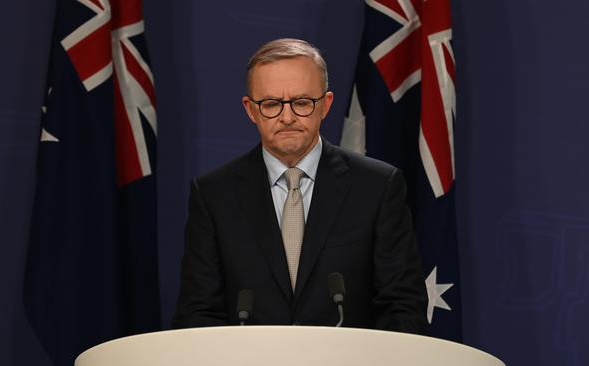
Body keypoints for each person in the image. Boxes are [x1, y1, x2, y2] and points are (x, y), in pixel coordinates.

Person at [172, 38, 427, 333]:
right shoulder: (214, 196)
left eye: (302, 102)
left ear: (326, 105)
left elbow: (402, 307)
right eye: (271, 104)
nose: (288, 117)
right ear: (250, 109)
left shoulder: (378, 188)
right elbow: (198, 313)